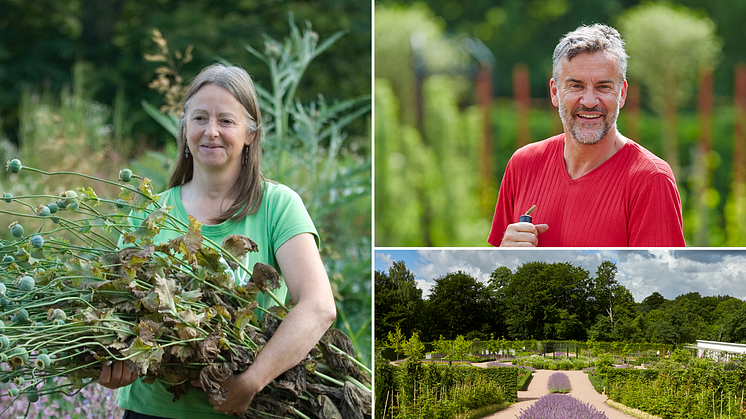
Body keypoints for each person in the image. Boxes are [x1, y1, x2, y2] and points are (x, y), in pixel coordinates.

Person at [97, 63, 337, 418]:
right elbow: (115, 309)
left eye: (226, 121)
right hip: (152, 412)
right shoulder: (149, 213)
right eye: (199, 119)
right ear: (184, 126)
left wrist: (252, 381)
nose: (211, 132)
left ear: (250, 133)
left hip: (245, 410)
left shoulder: (277, 206)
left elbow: (318, 307)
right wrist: (114, 360)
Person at [487, 24, 685, 247]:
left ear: (622, 94)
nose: (589, 101)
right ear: (555, 92)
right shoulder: (522, 165)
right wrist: (503, 257)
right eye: (576, 86)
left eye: (603, 87)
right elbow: (496, 276)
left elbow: (659, 281)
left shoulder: (651, 179)